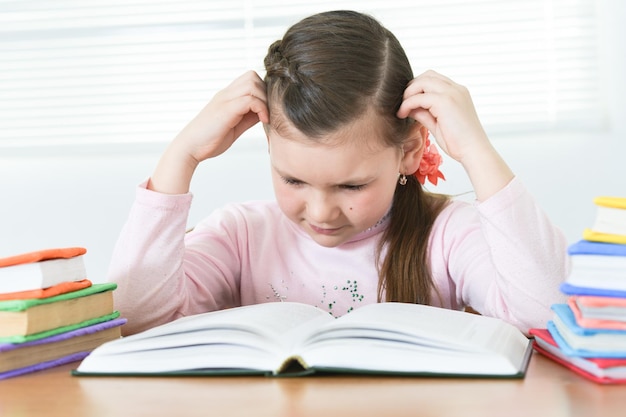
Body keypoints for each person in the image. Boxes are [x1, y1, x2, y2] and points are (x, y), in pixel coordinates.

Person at [108, 10, 569, 336]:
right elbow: (136, 318)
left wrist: (476, 152)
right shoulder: (241, 234)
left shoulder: (447, 234)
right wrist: (181, 156)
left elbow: (545, 316)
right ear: (269, 147)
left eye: (351, 185)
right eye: (293, 180)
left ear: (409, 151)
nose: (321, 210)